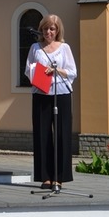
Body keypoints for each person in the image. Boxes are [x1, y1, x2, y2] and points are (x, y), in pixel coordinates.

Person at [24, 14, 78, 190]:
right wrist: (39, 73)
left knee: (62, 134)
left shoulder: (64, 48)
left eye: (52, 29)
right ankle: (45, 176)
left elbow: (72, 72)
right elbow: (27, 70)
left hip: (61, 93)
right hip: (41, 93)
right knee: (42, 134)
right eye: (46, 28)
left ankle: (59, 177)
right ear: (42, 30)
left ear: (57, 31)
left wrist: (56, 70)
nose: (49, 32)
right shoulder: (35, 48)